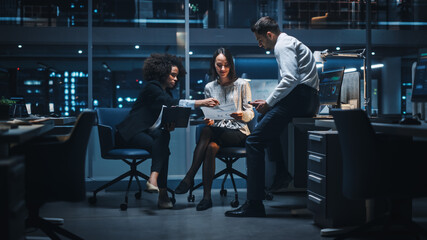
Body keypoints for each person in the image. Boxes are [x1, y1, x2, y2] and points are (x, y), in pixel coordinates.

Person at [225, 16, 320, 217]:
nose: (260, 45)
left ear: (269, 34)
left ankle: (254, 204)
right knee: (262, 122)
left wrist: (269, 103)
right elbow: (294, 81)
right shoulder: (291, 42)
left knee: (253, 142)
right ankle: (281, 172)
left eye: (260, 40)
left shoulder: (281, 45)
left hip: (299, 98)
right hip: (307, 99)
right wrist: (269, 103)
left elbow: (290, 79)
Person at [116, 53, 219, 209]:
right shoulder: (152, 87)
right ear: (162, 73)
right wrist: (201, 102)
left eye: (177, 76)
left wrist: (168, 125)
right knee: (163, 150)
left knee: (163, 137)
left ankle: (154, 180)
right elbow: (168, 103)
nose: (175, 79)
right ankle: (161, 192)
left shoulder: (166, 92)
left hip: (148, 132)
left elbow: (160, 117)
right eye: (172, 75)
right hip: (131, 133)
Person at [174, 48, 254, 211]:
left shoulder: (242, 85)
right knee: (210, 146)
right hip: (217, 131)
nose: (223, 69)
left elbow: (250, 112)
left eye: (226, 65)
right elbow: (211, 115)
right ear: (214, 66)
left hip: (238, 132)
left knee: (205, 131)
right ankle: (206, 198)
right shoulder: (209, 87)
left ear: (231, 65)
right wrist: (209, 120)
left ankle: (190, 176)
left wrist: (242, 115)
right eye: (219, 65)